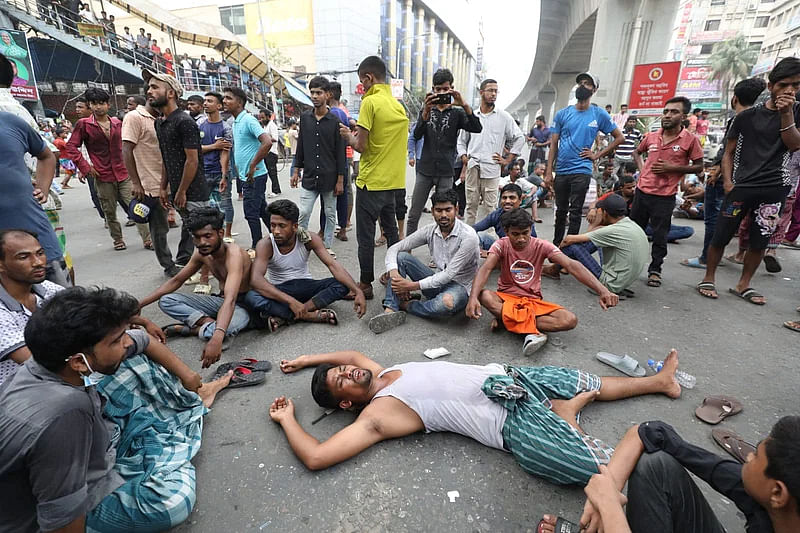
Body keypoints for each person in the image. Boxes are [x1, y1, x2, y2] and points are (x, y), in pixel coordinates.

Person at [268, 346, 683, 486]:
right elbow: (317, 457)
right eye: (342, 380)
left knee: (582, 379)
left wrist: (309, 358)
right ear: (345, 402)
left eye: (342, 370)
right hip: (512, 424)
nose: (349, 370)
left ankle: (658, 383)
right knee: (600, 470)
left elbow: (349, 353)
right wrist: (288, 419)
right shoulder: (376, 417)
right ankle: (567, 418)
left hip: (508, 376)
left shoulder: (379, 372)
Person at [0, 286, 232, 532]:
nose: (126, 342)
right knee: (173, 503)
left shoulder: (48, 362)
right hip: (38, 517)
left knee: (131, 363)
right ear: (79, 361)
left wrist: (189, 377)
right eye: (117, 340)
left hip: (71, 463)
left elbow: (141, 341)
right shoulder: (65, 413)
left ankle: (181, 407)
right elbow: (61, 520)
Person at [563, 417, 800, 533]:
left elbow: (609, 505)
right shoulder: (767, 498)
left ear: (778, 492)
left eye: (757, 456)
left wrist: (609, 507)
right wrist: (609, 487)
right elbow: (651, 433)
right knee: (657, 466)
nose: (748, 458)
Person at [698, 57, 800, 304]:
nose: (790, 90)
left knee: (760, 239)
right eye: (784, 84)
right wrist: (728, 182)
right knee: (721, 234)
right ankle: (708, 277)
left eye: (796, 85)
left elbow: (794, 144)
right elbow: (728, 152)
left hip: (775, 188)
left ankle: (744, 284)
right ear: (770, 85)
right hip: (741, 186)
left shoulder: (797, 113)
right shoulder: (746, 117)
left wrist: (787, 114)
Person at [467, 208, 618, 355]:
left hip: (532, 300)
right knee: (485, 296)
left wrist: (603, 290)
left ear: (531, 228)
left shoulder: (541, 245)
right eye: (515, 234)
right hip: (506, 298)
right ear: (506, 232)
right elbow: (486, 269)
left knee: (569, 320)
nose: (521, 239)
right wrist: (473, 298)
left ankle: (506, 321)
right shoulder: (501, 244)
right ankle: (527, 328)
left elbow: (572, 265)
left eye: (525, 233)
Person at [139, 207, 253, 368]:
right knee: (166, 300)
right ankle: (208, 323)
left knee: (226, 329)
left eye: (207, 236)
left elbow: (231, 299)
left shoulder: (234, 254)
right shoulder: (202, 252)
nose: (202, 242)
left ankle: (190, 329)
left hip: (241, 305)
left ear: (220, 234)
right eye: (196, 238)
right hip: (220, 302)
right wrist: (139, 305)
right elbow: (176, 281)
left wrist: (217, 338)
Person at [338, 56, 409, 300]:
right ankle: (394, 275)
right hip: (393, 182)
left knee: (365, 238)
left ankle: (365, 284)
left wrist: (349, 136)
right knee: (391, 233)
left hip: (371, 182)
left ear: (369, 78)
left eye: (362, 82)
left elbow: (362, 146)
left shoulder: (370, 103)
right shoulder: (397, 104)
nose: (362, 87)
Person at [368, 189, 479, 333]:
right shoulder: (430, 230)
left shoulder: (468, 236)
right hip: (435, 281)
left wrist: (410, 286)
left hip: (460, 287)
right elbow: (394, 248)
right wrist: (394, 274)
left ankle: (407, 305)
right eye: (439, 210)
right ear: (432, 211)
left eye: (448, 210)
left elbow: (449, 274)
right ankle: (390, 309)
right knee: (401, 257)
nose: (443, 215)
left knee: (445, 304)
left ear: (456, 209)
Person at [244, 199, 365, 331]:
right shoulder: (266, 244)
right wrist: (291, 301)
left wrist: (358, 291)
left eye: (282, 226)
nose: (276, 231)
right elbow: (256, 279)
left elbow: (333, 265)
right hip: (281, 291)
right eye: (273, 225)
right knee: (251, 296)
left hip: (305, 286)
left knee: (341, 284)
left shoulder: (309, 239)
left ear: (295, 226)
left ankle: (292, 315)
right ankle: (308, 314)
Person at [63, 87, 152, 252]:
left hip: (124, 172)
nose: (98, 107)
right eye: (94, 104)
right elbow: (72, 147)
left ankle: (147, 238)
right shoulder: (84, 124)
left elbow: (129, 146)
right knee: (109, 210)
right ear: (90, 105)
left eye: (101, 103)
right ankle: (117, 239)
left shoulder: (118, 123)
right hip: (102, 175)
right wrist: (85, 166)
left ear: (108, 104)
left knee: (136, 206)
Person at [630, 96, 703, 288]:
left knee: (660, 235)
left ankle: (655, 270)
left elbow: (699, 166)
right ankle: (628, 267)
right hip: (642, 191)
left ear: (684, 116)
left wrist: (672, 167)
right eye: (666, 111)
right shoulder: (652, 136)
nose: (668, 115)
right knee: (633, 233)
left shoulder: (690, 140)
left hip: (665, 196)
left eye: (674, 112)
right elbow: (637, 152)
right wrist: (642, 168)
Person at [545, 72, 624, 246]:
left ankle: (569, 249)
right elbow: (553, 144)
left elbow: (619, 138)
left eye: (587, 83)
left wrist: (596, 155)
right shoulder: (562, 114)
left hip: (582, 169)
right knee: (560, 212)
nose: (582, 85)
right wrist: (548, 171)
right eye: (581, 82)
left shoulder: (598, 114)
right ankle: (556, 247)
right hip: (562, 169)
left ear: (594, 90)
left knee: (575, 212)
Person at [406, 68, 482, 236]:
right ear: (433, 89)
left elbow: (477, 128)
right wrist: (425, 112)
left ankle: (441, 251)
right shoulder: (427, 110)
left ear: (451, 88)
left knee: (445, 215)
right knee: (414, 213)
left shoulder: (457, 113)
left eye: (445, 89)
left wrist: (464, 103)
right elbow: (417, 134)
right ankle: (406, 250)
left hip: (446, 171)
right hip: (425, 170)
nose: (441, 93)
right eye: (437, 89)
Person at [145, 70, 210, 267]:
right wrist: (163, 187)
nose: (149, 91)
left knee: (204, 235)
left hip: (194, 191)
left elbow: (192, 161)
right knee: (192, 231)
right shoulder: (160, 123)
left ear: (171, 93)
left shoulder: (184, 121)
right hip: (177, 189)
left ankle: (210, 274)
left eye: (155, 87)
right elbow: (166, 157)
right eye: (149, 87)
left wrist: (181, 191)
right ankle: (192, 266)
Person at [122, 91, 183, 277]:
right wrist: (136, 183)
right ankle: (168, 265)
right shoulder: (134, 117)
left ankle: (185, 260)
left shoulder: (165, 118)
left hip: (173, 181)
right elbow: (126, 149)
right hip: (151, 185)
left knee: (191, 221)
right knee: (160, 228)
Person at [457, 78, 525, 225]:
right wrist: (463, 156)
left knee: (491, 208)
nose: (494, 94)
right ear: (481, 92)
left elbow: (519, 137)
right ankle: (469, 239)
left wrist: (508, 159)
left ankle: (492, 243)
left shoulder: (504, 117)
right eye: (490, 90)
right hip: (473, 166)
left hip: (492, 168)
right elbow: (461, 141)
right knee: (471, 206)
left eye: (496, 91)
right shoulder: (471, 116)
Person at [291, 76, 346, 254]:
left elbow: (340, 154)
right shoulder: (305, 118)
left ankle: (327, 246)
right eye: (312, 92)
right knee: (304, 212)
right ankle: (302, 244)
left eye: (319, 93)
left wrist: (340, 180)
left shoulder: (335, 121)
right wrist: (295, 170)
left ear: (327, 95)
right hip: (309, 176)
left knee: (330, 214)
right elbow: (301, 147)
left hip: (330, 177)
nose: (315, 96)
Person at [559, 193, 648, 297]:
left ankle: (555, 267)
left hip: (610, 283)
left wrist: (556, 253)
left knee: (572, 247)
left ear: (605, 213)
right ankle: (557, 267)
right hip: (623, 280)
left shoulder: (611, 231)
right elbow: (595, 235)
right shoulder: (631, 225)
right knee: (595, 241)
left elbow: (568, 240)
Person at [224, 86, 273, 249]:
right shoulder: (236, 122)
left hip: (255, 176)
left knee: (251, 213)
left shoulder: (248, 120)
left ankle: (257, 246)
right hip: (246, 176)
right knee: (262, 211)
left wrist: (252, 165)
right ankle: (278, 238)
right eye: (224, 98)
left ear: (239, 102)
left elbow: (267, 142)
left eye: (229, 98)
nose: (224, 101)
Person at [199, 91, 234, 235]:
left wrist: (224, 175)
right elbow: (194, 149)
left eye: (210, 101)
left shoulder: (226, 128)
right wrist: (214, 146)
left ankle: (227, 234)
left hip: (220, 171)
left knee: (225, 203)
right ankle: (212, 233)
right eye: (205, 101)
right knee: (206, 205)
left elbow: (225, 152)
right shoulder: (198, 124)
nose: (205, 103)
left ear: (219, 106)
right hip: (203, 172)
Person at [472, 183, 536, 254]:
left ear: (520, 200)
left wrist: (492, 254)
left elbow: (533, 243)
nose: (507, 201)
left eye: (512, 198)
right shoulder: (496, 214)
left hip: (520, 252)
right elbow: (474, 228)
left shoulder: (525, 217)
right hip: (502, 249)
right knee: (478, 236)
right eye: (504, 198)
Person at [259, 107, 282, 197]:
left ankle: (275, 190)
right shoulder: (265, 126)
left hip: (271, 152)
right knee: (269, 172)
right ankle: (276, 189)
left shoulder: (272, 125)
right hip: (266, 152)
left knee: (272, 172)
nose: (261, 120)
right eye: (260, 118)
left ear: (268, 117)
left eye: (263, 118)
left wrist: (265, 138)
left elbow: (275, 138)